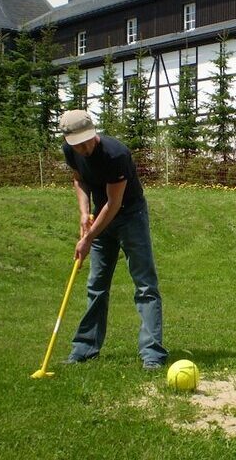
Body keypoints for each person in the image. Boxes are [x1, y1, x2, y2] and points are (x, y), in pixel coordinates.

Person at [58, 109, 168, 370]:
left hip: (130, 216)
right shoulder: (70, 151)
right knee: (96, 285)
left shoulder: (116, 154)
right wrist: (84, 213)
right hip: (101, 218)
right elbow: (79, 180)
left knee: (145, 284)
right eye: (78, 144)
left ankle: (152, 354)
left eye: (87, 141)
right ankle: (85, 349)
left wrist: (88, 238)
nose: (84, 148)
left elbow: (114, 203)